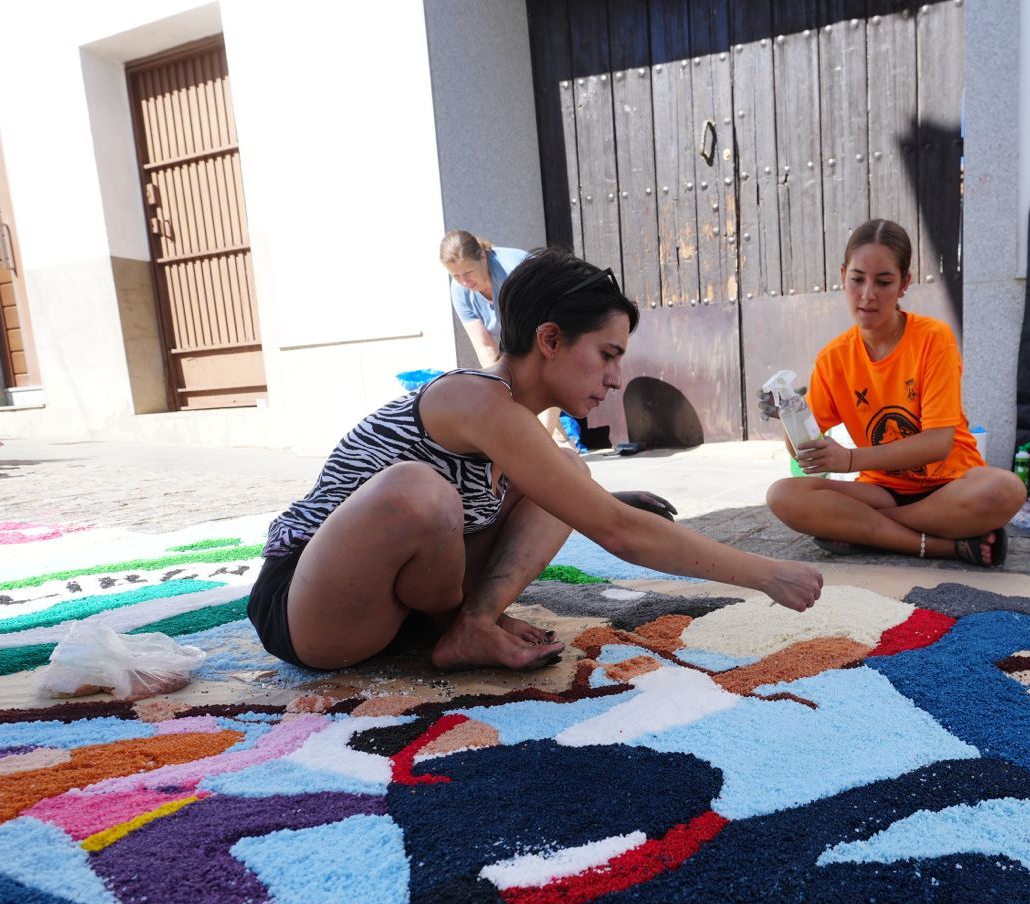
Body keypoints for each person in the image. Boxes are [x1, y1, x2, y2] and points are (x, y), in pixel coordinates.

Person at [250, 248, 823, 672]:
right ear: (550, 339)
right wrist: (766, 573)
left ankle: (472, 627)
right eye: (606, 355)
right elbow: (622, 534)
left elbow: (576, 505)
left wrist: (587, 503)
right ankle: (464, 621)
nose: (616, 379)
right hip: (309, 605)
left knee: (568, 473)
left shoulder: (515, 426)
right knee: (419, 490)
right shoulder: (475, 398)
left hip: (409, 612)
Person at [764, 219, 1025, 566]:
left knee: (1005, 490)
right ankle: (947, 545)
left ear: (904, 284)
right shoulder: (834, 357)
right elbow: (804, 454)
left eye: (884, 282)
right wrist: (789, 415)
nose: (867, 294)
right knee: (783, 495)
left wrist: (851, 462)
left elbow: (938, 443)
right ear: (843, 275)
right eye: (857, 279)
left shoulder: (933, 338)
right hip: (880, 492)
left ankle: (863, 531)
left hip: (950, 485)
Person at [440, 229, 571, 448]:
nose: (464, 281)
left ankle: (541, 446)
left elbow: (540, 339)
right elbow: (484, 346)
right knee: (509, 384)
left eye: (468, 272)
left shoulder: (513, 270)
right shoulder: (459, 290)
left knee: (543, 374)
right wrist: (500, 387)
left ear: (482, 256)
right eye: (456, 276)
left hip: (553, 316)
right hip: (520, 331)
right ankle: (557, 444)